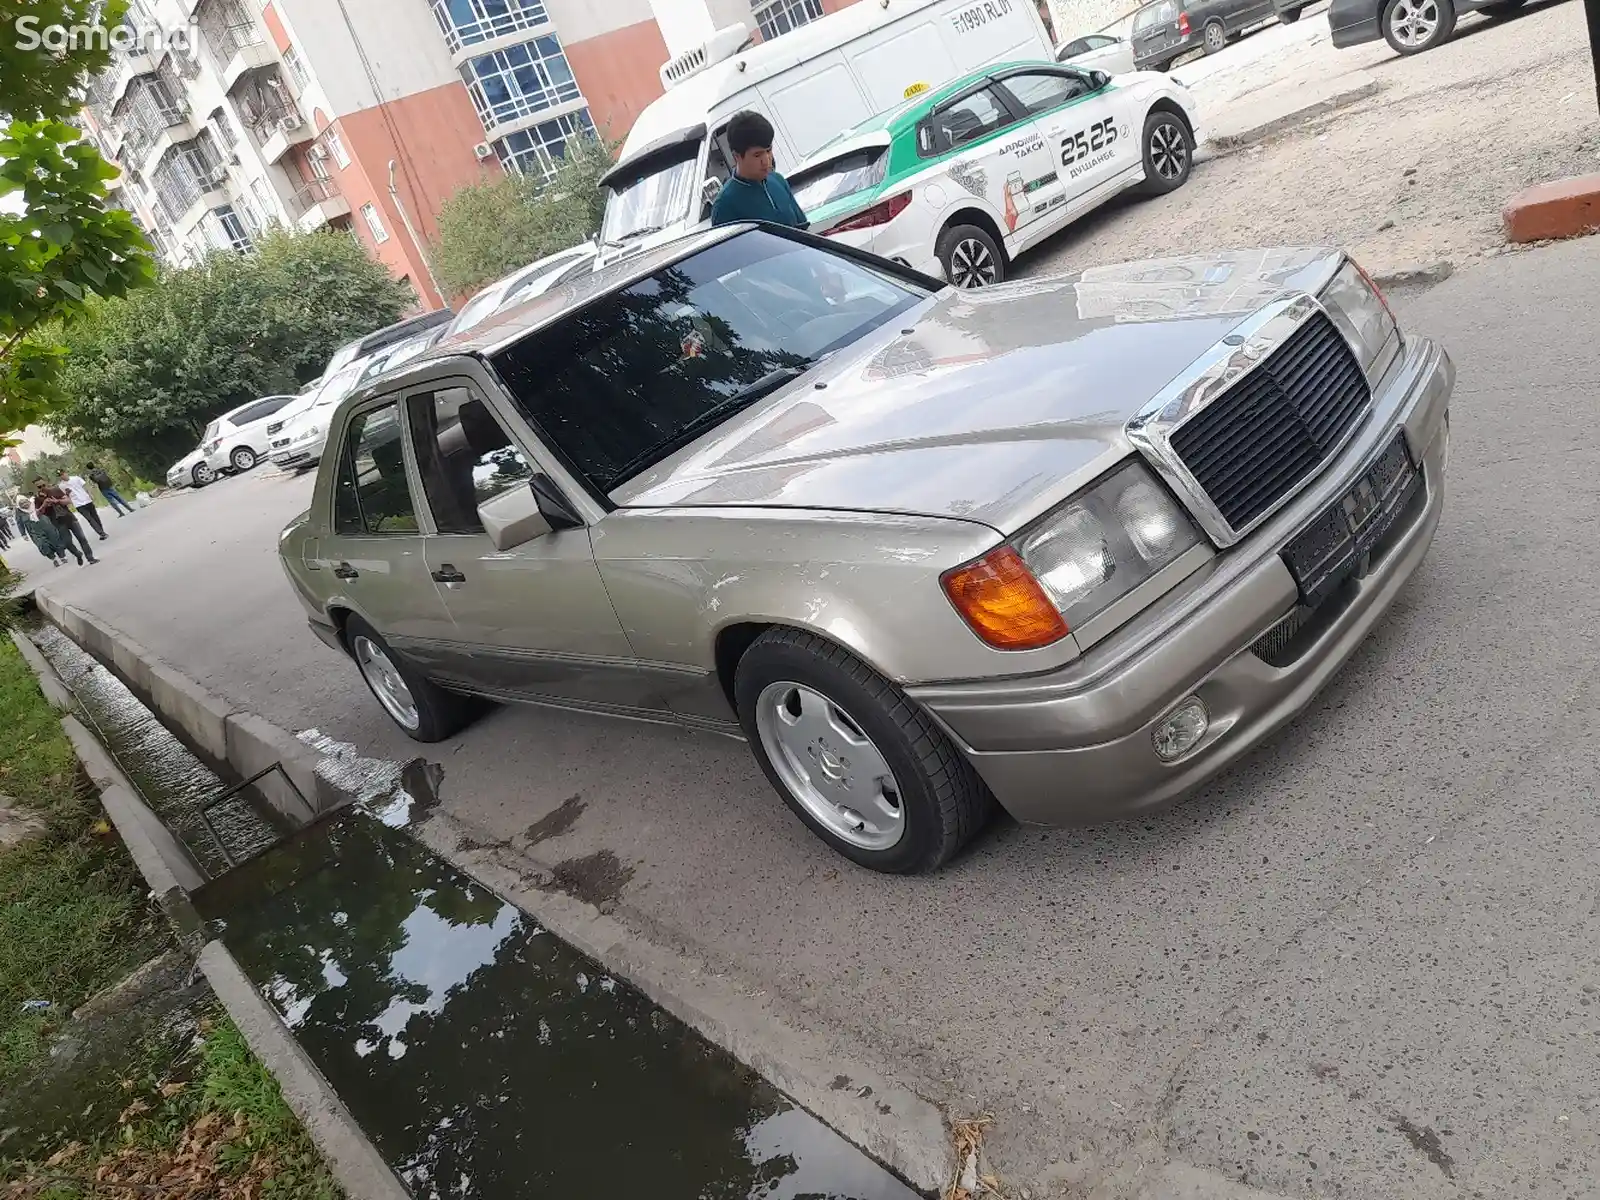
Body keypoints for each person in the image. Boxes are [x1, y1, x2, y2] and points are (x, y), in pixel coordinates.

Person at [709, 111, 809, 230]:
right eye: (757, 155)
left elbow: (803, 228)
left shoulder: (778, 180)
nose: (766, 160)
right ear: (737, 156)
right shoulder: (724, 205)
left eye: (769, 150)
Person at [34, 479, 95, 565]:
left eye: (43, 485)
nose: (42, 488)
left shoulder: (55, 490)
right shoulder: (38, 499)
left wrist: (57, 501)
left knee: (82, 538)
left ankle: (90, 558)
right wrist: (44, 505)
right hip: (58, 523)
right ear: (37, 488)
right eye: (39, 487)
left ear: (46, 483)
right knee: (67, 543)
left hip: (69, 517)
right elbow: (37, 513)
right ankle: (78, 554)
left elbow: (68, 501)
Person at [18, 492, 74, 567]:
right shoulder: (19, 511)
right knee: (42, 544)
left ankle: (62, 557)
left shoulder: (34, 502)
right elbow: (19, 523)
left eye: (25, 502)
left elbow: (46, 507)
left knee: (55, 539)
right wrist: (23, 534)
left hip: (45, 524)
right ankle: (53, 559)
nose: (25, 505)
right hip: (33, 530)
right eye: (22, 504)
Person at [59, 469, 107, 539]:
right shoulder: (61, 486)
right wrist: (69, 500)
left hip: (86, 499)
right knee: (89, 519)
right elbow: (65, 495)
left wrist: (90, 494)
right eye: (61, 475)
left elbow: (85, 486)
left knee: (95, 516)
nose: (63, 476)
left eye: (63, 474)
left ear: (66, 473)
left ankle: (101, 531)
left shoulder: (76, 478)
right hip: (78, 504)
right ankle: (101, 533)